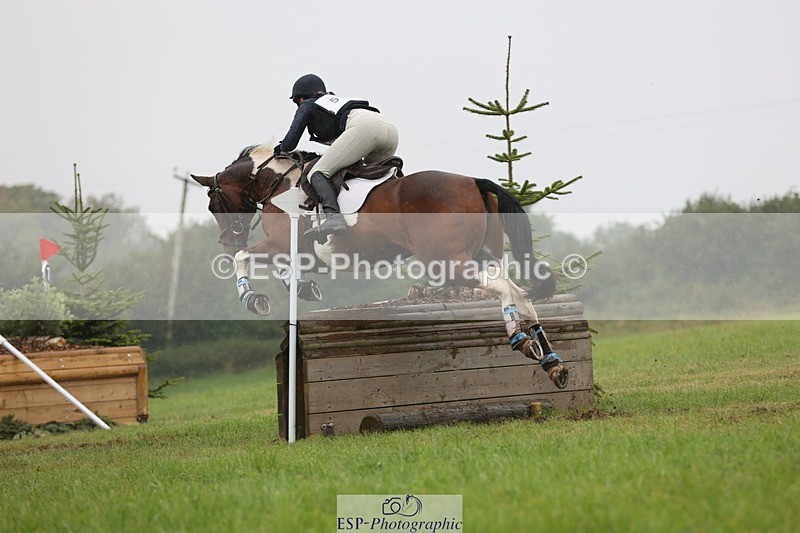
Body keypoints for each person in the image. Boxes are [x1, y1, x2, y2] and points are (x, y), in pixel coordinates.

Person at [275, 74, 399, 235]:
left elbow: (290, 143)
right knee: (375, 181)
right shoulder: (334, 102)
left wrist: (280, 148)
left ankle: (334, 218)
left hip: (365, 127)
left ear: (300, 99)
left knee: (317, 173)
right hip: (390, 130)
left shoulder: (308, 103)